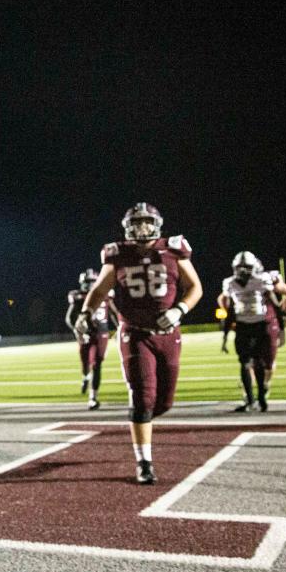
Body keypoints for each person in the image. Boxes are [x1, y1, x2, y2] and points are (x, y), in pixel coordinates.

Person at [76, 202, 202, 485]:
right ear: (128, 227)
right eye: (137, 223)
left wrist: (178, 310)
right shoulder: (118, 254)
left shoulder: (173, 249)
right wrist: (85, 312)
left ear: (156, 224)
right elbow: (100, 289)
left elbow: (195, 287)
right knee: (142, 397)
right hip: (134, 333)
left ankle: (142, 420)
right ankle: (144, 462)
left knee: (164, 402)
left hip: (169, 332)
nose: (142, 228)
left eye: (147, 222)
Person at [219, 252, 286, 412]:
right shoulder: (230, 283)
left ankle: (260, 398)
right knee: (245, 364)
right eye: (241, 267)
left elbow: (276, 306)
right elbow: (230, 311)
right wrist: (225, 336)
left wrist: (282, 330)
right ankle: (251, 400)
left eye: (247, 267)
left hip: (260, 325)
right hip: (242, 326)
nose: (244, 270)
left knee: (259, 363)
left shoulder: (261, 281)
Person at [64, 268, 115, 410]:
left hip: (101, 333)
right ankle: (85, 377)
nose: (89, 285)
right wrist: (77, 330)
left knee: (97, 364)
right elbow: (69, 318)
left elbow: (113, 312)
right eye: (87, 282)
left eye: (92, 281)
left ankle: (93, 397)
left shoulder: (105, 294)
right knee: (85, 363)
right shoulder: (78, 296)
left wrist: (120, 327)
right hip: (85, 335)